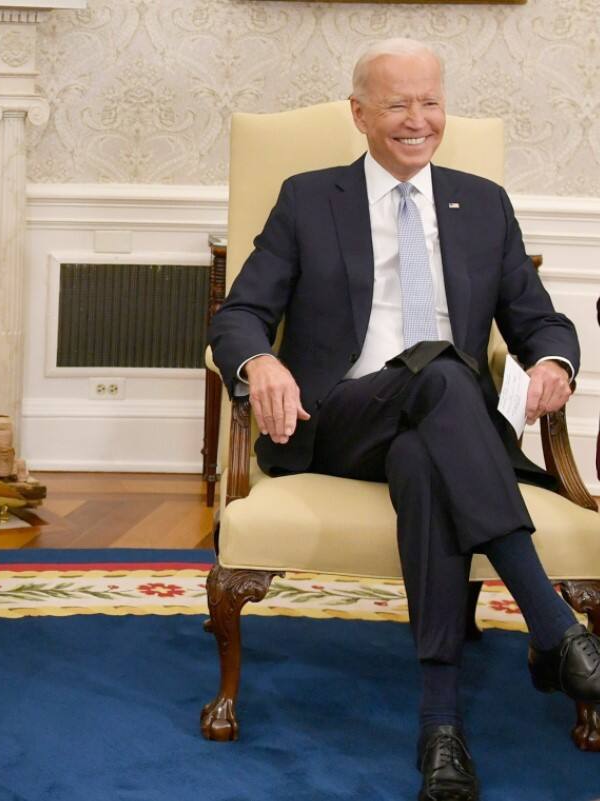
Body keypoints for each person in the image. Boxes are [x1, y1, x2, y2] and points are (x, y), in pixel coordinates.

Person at [209, 38, 599, 801]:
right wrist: (261, 363)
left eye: (431, 102)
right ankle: (550, 623)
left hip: (441, 432)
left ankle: (440, 728)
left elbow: (541, 320)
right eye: (397, 104)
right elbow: (242, 314)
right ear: (358, 113)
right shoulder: (307, 197)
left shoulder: (482, 202)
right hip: (339, 419)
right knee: (445, 370)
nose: (418, 120)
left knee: (430, 448)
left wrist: (555, 363)